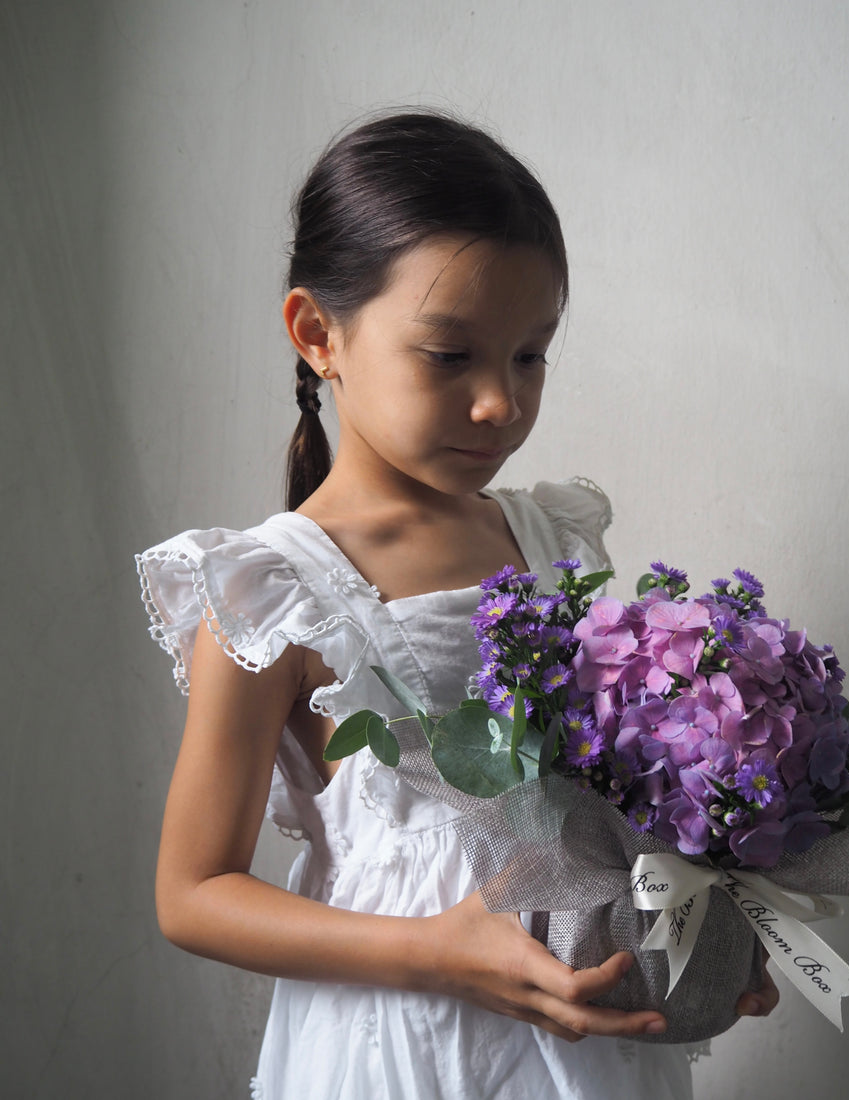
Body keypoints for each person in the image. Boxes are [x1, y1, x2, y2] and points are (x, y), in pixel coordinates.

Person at [136, 110, 777, 1099]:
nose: (500, 403)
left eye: (529, 355)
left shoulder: (548, 540)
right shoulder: (272, 589)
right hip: (399, 1040)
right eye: (449, 356)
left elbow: (601, 796)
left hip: (577, 1032)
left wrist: (695, 930)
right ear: (319, 335)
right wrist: (436, 950)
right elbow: (193, 894)